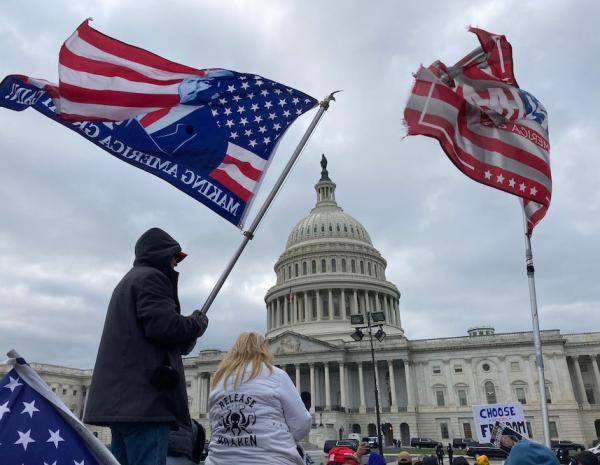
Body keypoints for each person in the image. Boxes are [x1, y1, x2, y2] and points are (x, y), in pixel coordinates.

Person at [84, 228, 209, 465]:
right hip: (145, 403)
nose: (175, 263)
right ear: (162, 254)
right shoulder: (152, 278)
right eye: (174, 257)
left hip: (126, 403)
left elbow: (164, 340)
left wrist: (190, 332)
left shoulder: (129, 281)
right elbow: (164, 327)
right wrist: (196, 323)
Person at [205, 332, 311, 465]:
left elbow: (215, 426)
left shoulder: (219, 381)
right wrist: (278, 437)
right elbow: (302, 424)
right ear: (264, 350)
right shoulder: (277, 375)